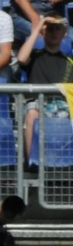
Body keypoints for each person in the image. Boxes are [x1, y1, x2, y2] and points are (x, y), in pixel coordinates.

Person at [16, 14, 73, 159]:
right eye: (50, 29)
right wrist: (40, 25)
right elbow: (21, 58)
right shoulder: (34, 56)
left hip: (62, 107)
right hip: (38, 106)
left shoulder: (69, 62)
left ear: (64, 33)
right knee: (31, 113)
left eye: (57, 29)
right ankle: (32, 163)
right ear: (43, 32)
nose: (54, 33)